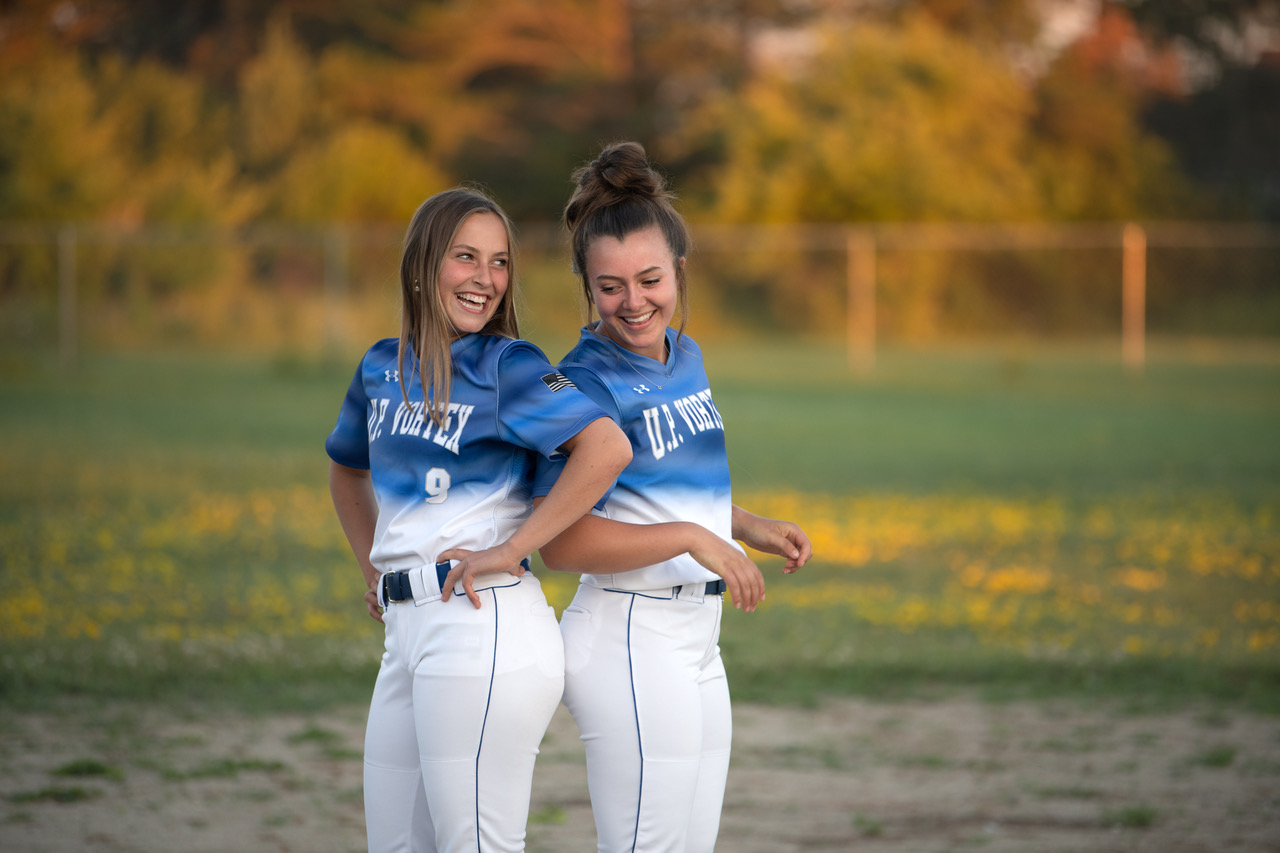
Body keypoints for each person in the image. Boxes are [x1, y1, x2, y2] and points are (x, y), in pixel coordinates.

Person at [325, 186, 632, 853]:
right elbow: (347, 469)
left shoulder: (508, 367)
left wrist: (512, 546)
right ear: (422, 264)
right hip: (407, 632)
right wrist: (376, 569)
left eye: (498, 263)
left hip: (482, 624)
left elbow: (606, 448)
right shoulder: (382, 367)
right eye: (466, 257)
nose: (486, 279)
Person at [533, 142, 813, 853]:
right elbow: (562, 543)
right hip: (629, 635)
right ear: (586, 286)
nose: (634, 302)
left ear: (679, 272)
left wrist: (743, 524)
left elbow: (662, 490)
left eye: (651, 279)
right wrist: (694, 537)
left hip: (696, 638)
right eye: (611, 287)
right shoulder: (582, 382)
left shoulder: (684, 354)